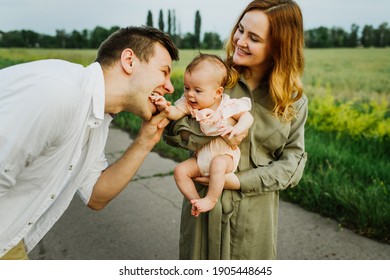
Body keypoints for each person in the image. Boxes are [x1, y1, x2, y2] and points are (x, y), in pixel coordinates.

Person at [0, 26, 179, 260]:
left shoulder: (97, 116)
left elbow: (96, 195)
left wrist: (146, 140)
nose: (170, 87)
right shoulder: (58, 94)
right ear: (129, 61)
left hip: (9, 240)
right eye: (164, 72)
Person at [164, 0, 308, 259]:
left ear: (278, 47)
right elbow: (174, 130)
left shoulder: (293, 100)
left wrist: (238, 181)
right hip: (203, 207)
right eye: (240, 30)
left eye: (254, 37)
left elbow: (293, 163)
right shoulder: (214, 77)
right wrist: (212, 126)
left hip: (254, 216)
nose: (240, 40)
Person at [151, 54, 254, 217]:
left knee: (218, 165)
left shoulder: (226, 105)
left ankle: (210, 199)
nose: (190, 94)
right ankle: (196, 201)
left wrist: (238, 128)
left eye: (197, 90)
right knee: (180, 171)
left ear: (217, 92)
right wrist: (165, 107)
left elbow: (247, 116)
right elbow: (175, 113)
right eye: (186, 88)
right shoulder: (189, 103)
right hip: (201, 159)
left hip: (225, 156)